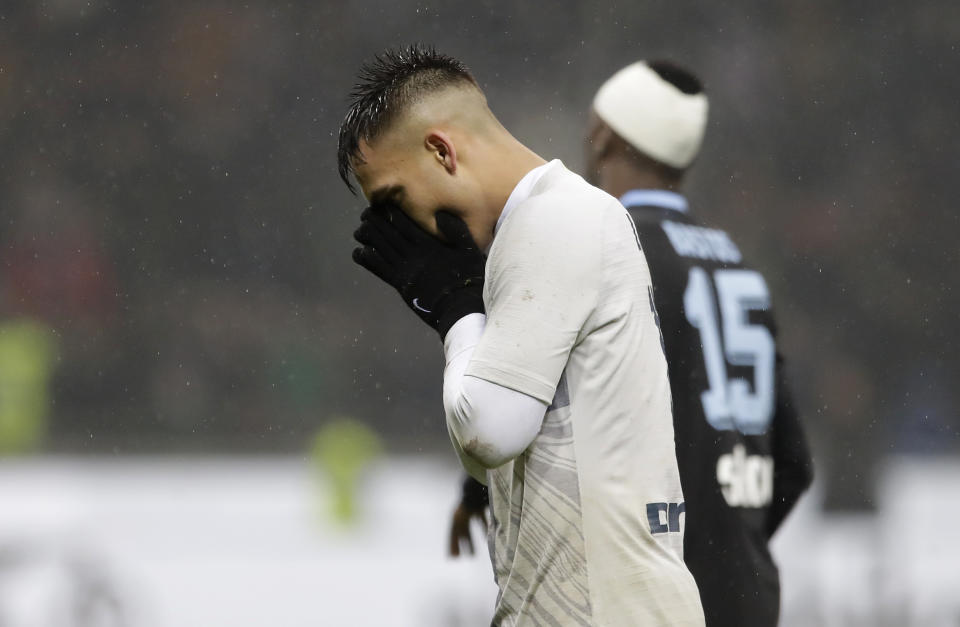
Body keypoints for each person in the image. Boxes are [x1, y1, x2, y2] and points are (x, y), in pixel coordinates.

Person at [340, 46, 704, 626]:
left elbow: (488, 430)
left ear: (441, 150)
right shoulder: (535, 231)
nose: (396, 228)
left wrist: (455, 310)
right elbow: (497, 457)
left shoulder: (557, 219)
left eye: (394, 201)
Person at [452, 59, 814, 626]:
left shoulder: (607, 248)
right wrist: (730, 549)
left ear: (604, 136)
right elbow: (794, 464)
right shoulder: (739, 267)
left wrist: (477, 492)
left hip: (652, 595)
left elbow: (539, 394)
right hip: (749, 594)